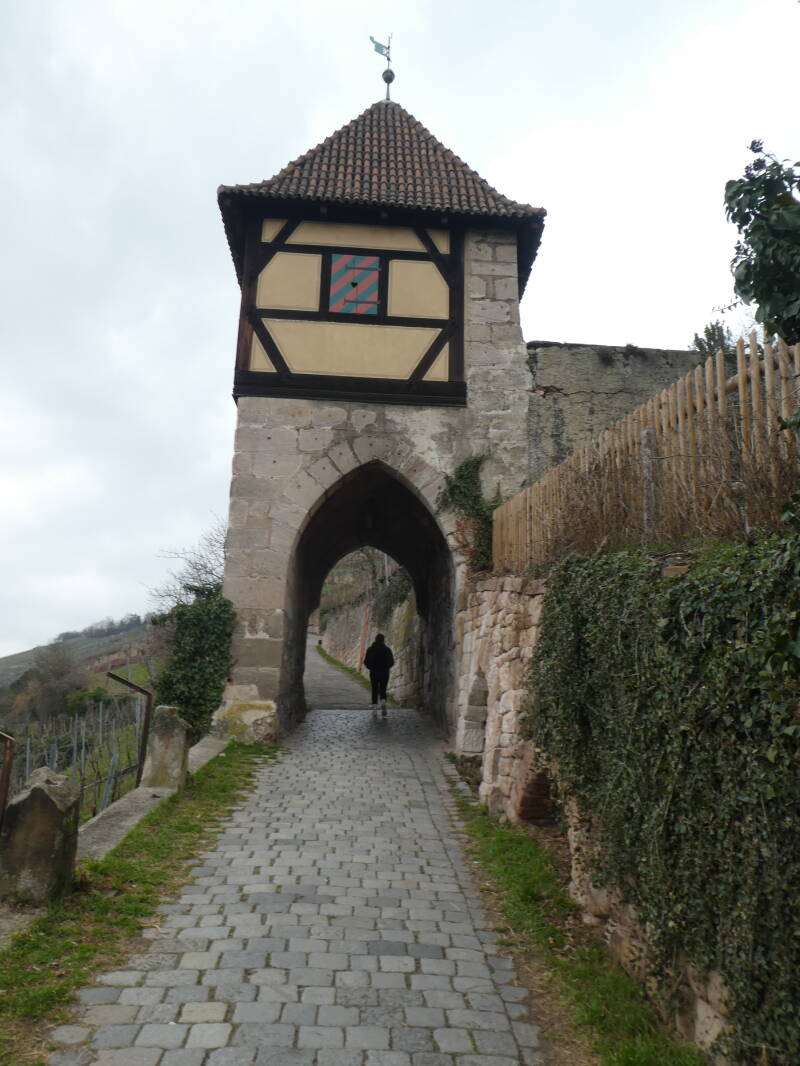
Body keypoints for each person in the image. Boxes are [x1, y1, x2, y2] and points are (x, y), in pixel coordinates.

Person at [363, 633, 394, 716]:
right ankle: (383, 704)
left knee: (374, 690)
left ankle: (374, 709)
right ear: (383, 640)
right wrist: (386, 667)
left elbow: (366, 662)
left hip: (374, 672)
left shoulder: (370, 649)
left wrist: (371, 667)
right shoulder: (387, 650)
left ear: (375, 640)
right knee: (383, 689)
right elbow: (391, 662)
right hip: (384, 673)